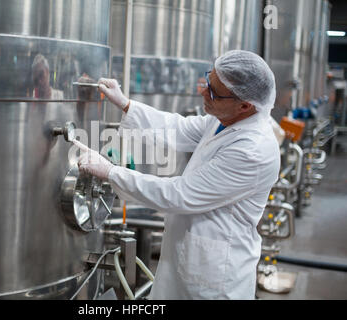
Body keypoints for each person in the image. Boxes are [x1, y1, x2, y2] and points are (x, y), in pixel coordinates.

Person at [75, 50, 280, 299]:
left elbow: (179, 194)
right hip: (187, 256)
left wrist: (111, 172)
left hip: (215, 275)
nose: (203, 91)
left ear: (245, 105)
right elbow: (178, 128)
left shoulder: (253, 150)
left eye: (213, 92)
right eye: (208, 80)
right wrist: (125, 104)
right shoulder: (225, 121)